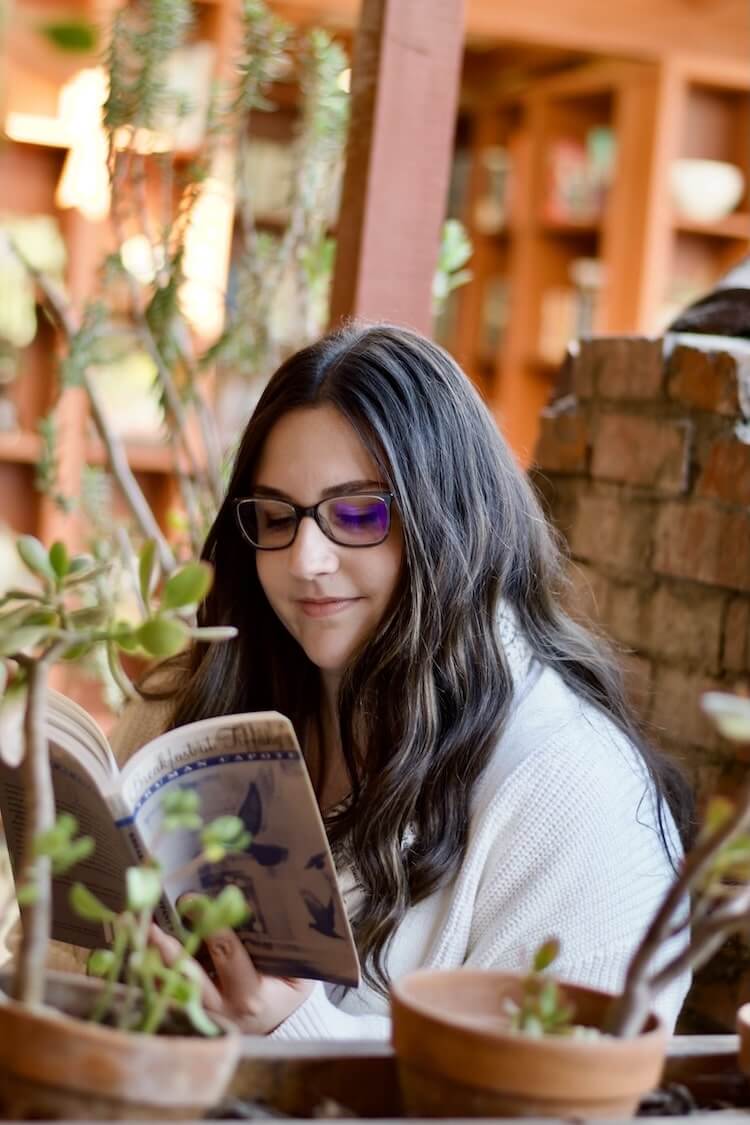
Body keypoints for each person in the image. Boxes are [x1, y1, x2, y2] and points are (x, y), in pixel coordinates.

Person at [111, 321, 694, 1039]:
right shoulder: (208, 697)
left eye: (359, 512)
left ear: (451, 520)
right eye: (275, 516)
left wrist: (294, 1029)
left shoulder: (572, 786)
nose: (306, 560)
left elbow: (552, 1090)